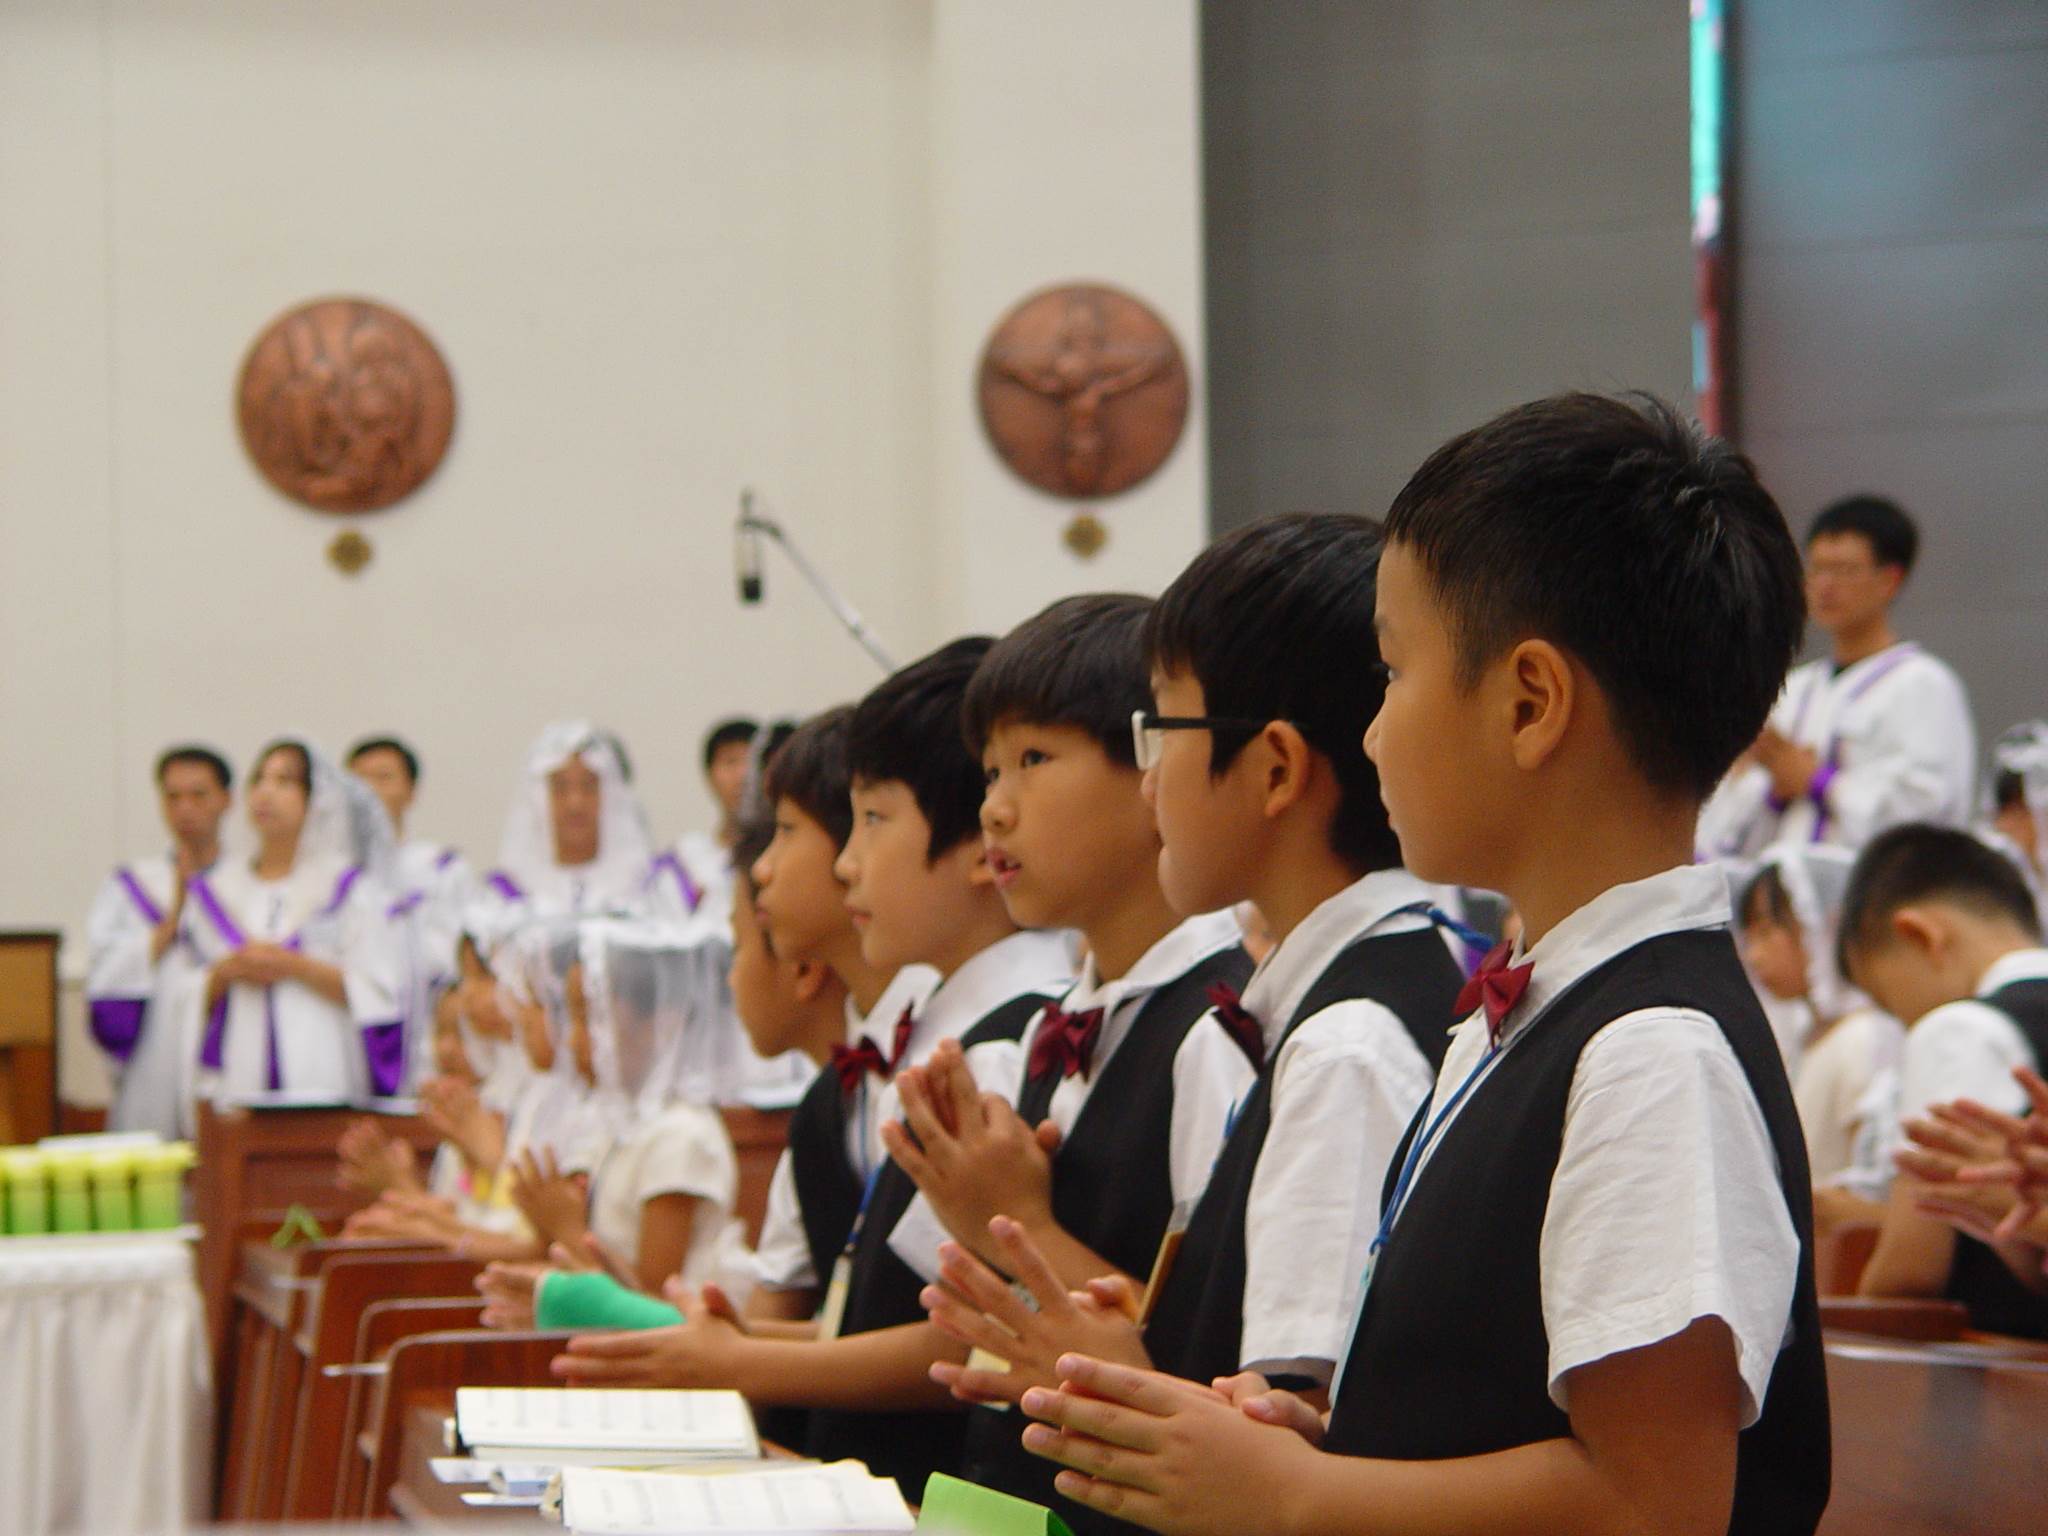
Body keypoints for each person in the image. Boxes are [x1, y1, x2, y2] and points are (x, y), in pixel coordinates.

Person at [1015, 393, 1827, 1536]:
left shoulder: (1651, 1052)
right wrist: (1329, 1442)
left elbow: (1651, 1506)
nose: (1371, 730)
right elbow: (1488, 1412)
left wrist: (1294, 1494)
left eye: (1393, 673)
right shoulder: (1538, 1010)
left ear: (1529, 703)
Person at [919, 514, 1463, 1429]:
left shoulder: (1345, 1046)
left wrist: (1049, 1269)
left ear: (1276, 770)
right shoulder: (1329, 1012)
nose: (1149, 783)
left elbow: (1292, 1435)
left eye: (1162, 733)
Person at [552, 641, 1074, 1500]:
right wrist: (724, 1345)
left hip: (951, 1489)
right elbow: (865, 1312)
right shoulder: (921, 1045)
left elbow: (965, 1335)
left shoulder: (996, 1044)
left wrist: (741, 1360)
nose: (843, 865)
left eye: (872, 821)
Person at [879, 594, 1255, 1531]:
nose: (994, 808)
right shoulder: (1061, 1020)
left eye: (1034, 760)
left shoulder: (1217, 1028)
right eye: (990, 770)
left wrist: (1016, 1220)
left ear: (1152, 770)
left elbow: (1206, 1356)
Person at [1838, 823, 2048, 1338]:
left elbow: (1911, 1271)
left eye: (1888, 1003)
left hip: (1997, 1367)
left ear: (1921, 936)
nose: (1902, 1024)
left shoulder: (1957, 1029)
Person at [1698, 493, 1975, 859]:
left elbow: (1930, 811)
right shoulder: (1792, 689)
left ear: (1890, 580)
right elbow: (1725, 821)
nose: (1825, 586)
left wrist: (1820, 783)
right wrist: (1773, 789)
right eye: (1816, 569)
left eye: (1844, 570)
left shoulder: (1923, 684)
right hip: (1781, 886)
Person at [170, 738, 407, 1102]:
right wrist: (225, 973)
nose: (266, 793)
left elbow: (379, 991)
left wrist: (296, 967)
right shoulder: (215, 889)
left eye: (284, 782)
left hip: (322, 1071)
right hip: (234, 1077)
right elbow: (178, 991)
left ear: (316, 799)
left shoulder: (347, 889)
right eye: (259, 780)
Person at [84, 745, 235, 1135]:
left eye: (198, 795)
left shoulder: (247, 882)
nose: (185, 809)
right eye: (173, 797)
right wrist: (167, 928)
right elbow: (105, 977)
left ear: (226, 800)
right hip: (154, 1053)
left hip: (226, 1050)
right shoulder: (131, 885)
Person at [1735, 848, 1904, 1188]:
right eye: (1749, 937)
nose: (1753, 955)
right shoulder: (1803, 1036)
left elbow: (1869, 1180)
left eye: (1766, 931)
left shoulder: (1863, 1038)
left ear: (1820, 926)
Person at [348, 734, 476, 1089]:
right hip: (352, 1043)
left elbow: (456, 962)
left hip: (424, 1039)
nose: (369, 791)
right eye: (359, 781)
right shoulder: (335, 878)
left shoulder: (441, 869)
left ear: (411, 791)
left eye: (384, 777)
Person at [471, 721, 655, 941]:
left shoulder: (648, 891)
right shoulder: (501, 898)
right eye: (560, 787)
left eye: (588, 786)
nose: (575, 803)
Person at [649, 718, 759, 926]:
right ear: (710, 775)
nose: (743, 775)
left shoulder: (777, 857)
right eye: (730, 762)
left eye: (752, 762)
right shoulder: (685, 860)